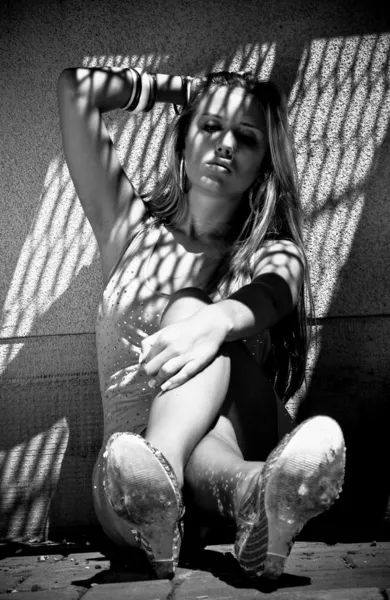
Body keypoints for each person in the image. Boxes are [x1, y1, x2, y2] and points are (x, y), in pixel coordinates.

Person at [57, 66, 345, 580]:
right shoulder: (129, 229)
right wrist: (187, 90)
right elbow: (79, 88)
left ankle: (163, 474)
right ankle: (253, 497)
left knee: (193, 312)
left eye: (247, 137)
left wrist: (216, 321)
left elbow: (277, 290)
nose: (226, 144)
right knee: (173, 447)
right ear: (183, 136)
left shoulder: (271, 249)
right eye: (211, 126)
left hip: (237, 430)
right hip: (123, 484)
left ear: (264, 163)